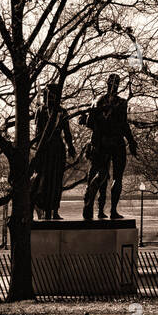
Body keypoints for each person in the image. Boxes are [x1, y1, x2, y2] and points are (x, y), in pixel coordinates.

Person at [79, 73, 138, 221]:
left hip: (101, 143)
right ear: (117, 86)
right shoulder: (120, 103)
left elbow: (90, 123)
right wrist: (131, 141)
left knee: (99, 175)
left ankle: (91, 204)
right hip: (115, 143)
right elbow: (124, 125)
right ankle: (112, 211)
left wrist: (92, 118)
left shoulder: (97, 101)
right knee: (116, 178)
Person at [31, 84, 76, 220]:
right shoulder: (40, 110)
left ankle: (55, 210)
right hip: (44, 149)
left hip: (57, 149)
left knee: (56, 181)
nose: (48, 98)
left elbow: (67, 132)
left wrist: (71, 147)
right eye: (46, 94)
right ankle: (44, 209)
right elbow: (38, 132)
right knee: (43, 180)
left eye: (51, 95)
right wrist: (37, 150)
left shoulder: (62, 112)